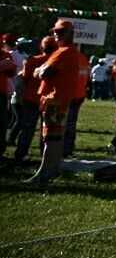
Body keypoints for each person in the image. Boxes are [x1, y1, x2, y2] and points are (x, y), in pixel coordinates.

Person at [26, 20, 86, 184]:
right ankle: (52, 169)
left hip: (54, 99)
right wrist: (42, 69)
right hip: (60, 99)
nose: (56, 35)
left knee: (50, 137)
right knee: (56, 136)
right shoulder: (69, 51)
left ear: (70, 33)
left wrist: (39, 70)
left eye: (60, 32)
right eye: (55, 32)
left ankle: (43, 172)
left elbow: (45, 73)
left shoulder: (64, 52)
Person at [11, 36, 54, 163]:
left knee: (27, 128)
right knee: (49, 130)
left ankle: (20, 154)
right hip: (50, 99)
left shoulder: (32, 60)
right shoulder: (57, 62)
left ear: (41, 47)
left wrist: (20, 97)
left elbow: (23, 79)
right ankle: (46, 156)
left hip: (31, 98)